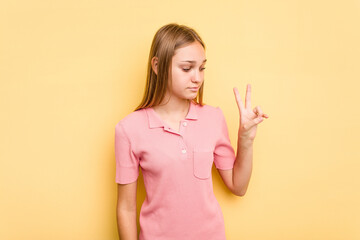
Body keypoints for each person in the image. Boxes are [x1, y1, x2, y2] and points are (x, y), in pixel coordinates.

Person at [115, 23, 269, 240]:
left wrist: (245, 138)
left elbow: (238, 186)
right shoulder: (129, 129)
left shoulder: (213, 118)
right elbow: (126, 208)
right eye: (187, 68)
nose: (197, 77)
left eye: (202, 68)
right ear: (157, 66)